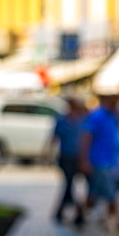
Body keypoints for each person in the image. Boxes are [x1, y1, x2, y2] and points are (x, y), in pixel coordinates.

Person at [79, 91, 119, 236]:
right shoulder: (97, 116)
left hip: (111, 161)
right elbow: (86, 138)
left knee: (94, 195)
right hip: (99, 161)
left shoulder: (113, 116)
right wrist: (84, 160)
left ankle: (80, 214)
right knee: (111, 194)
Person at [48, 96, 88, 226]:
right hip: (66, 157)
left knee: (71, 185)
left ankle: (63, 211)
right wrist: (49, 154)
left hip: (79, 157)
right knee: (69, 183)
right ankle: (77, 212)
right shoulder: (62, 121)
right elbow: (54, 137)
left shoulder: (82, 120)